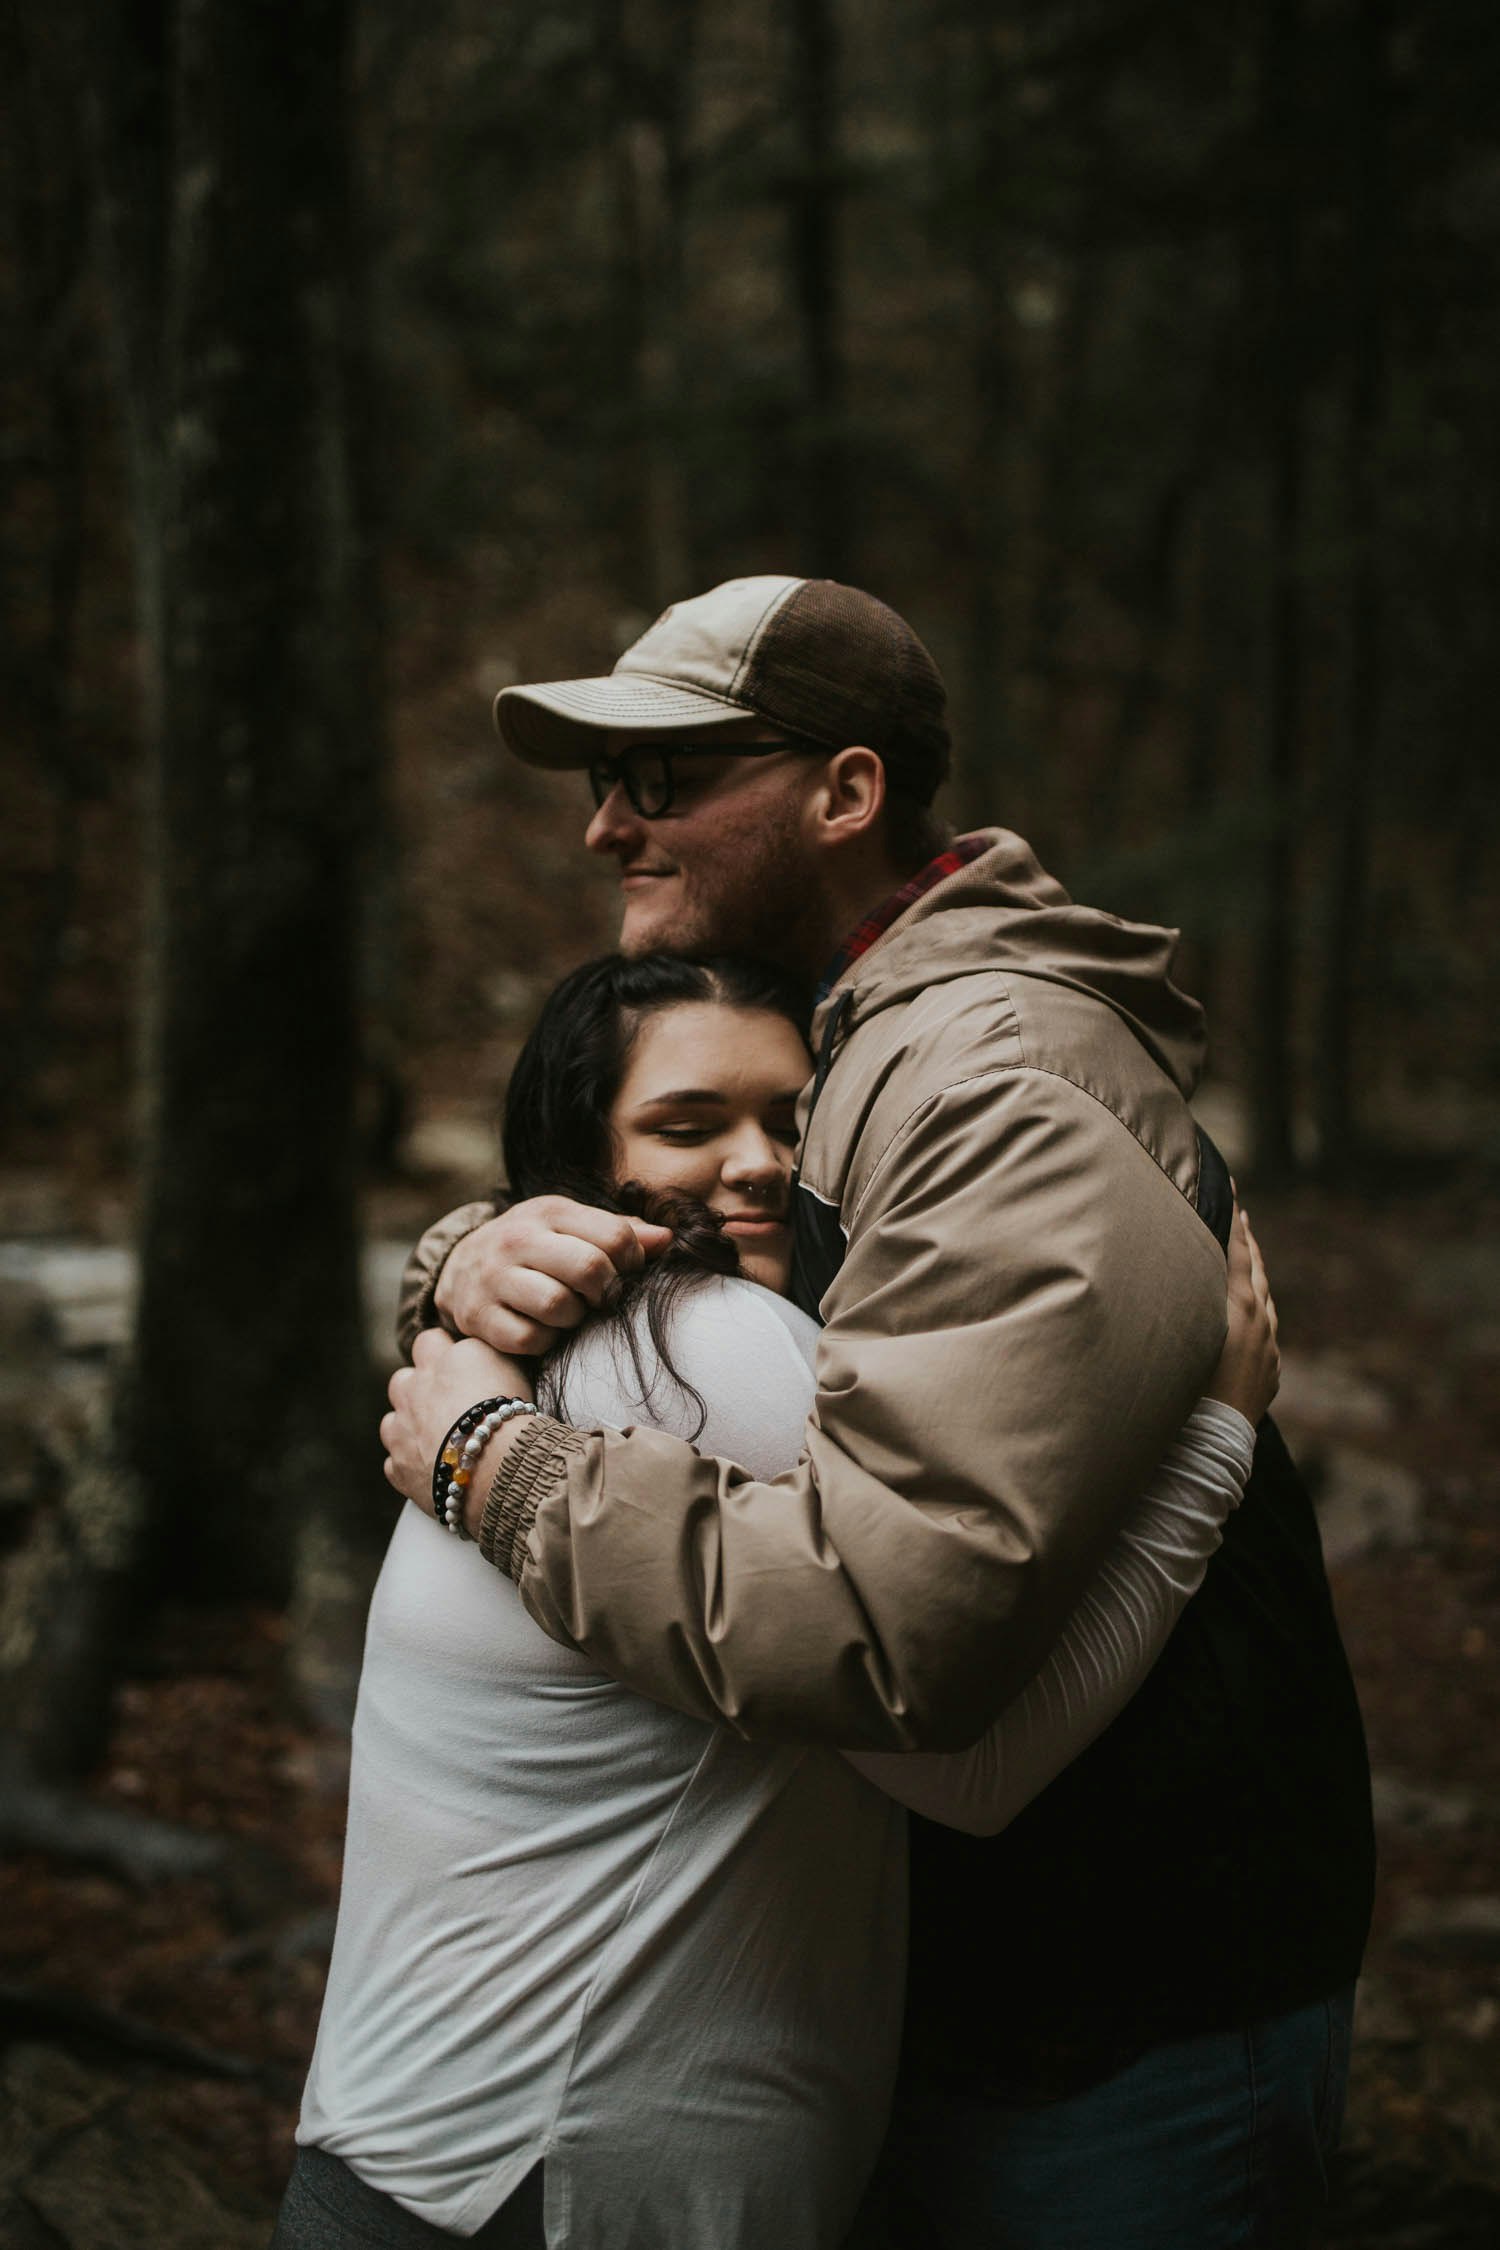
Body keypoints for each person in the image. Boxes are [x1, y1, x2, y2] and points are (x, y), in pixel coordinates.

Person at [388, 576, 1375, 2248]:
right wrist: (472, 1251)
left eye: (664, 777)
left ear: (845, 793)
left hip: (1121, 2011)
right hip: (963, 1986)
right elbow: (709, 1264)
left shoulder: (990, 1079)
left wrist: (496, 1462)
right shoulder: (848, 1045)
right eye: (598, 784)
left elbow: (887, 1624)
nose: (605, 826)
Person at [278, 951, 1274, 2250]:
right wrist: (1212, 1436)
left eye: (788, 1121)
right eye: (689, 1125)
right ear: (581, 1167)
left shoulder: (556, 1345)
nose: (755, 1159)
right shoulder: (713, 1353)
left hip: (422, 2161)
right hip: (561, 2188)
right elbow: (970, 1762)